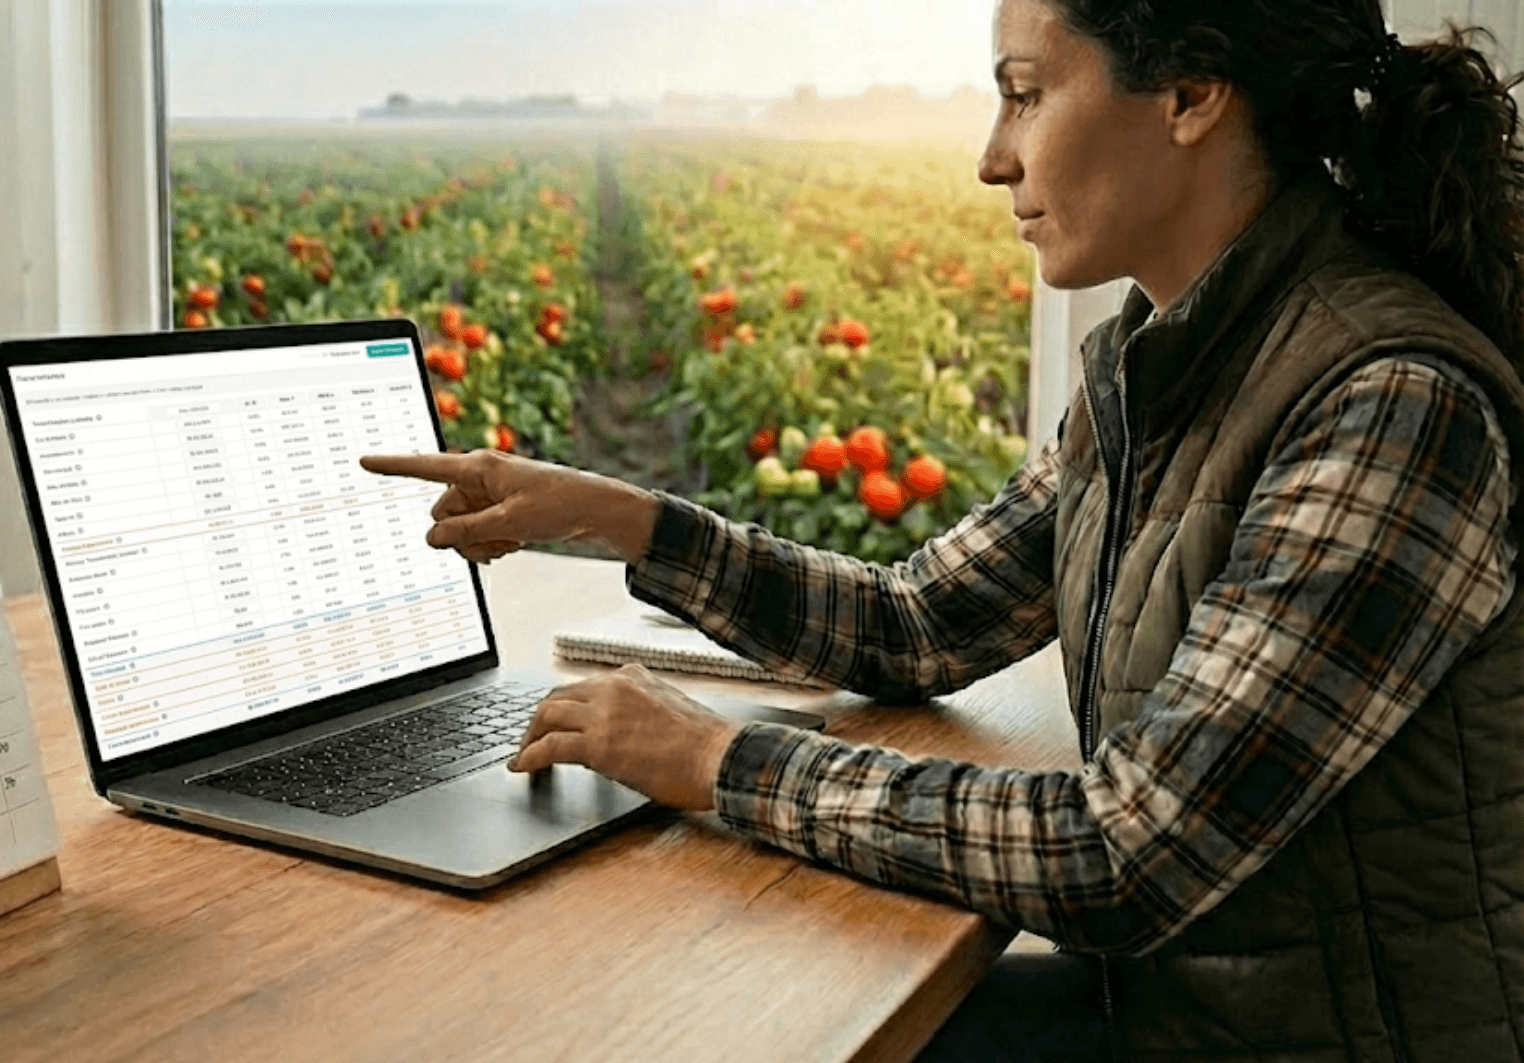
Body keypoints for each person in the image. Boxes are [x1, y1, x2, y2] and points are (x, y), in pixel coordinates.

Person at [364, 1, 1524, 1059]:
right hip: (1179, 1013)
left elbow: (1124, 852)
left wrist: (718, 760)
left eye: (1025, 92)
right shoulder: (1166, 367)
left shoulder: (1389, 401)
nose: (992, 156)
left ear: (1189, 95)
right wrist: (623, 518)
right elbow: (915, 623)